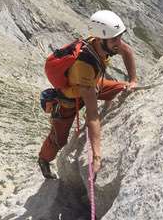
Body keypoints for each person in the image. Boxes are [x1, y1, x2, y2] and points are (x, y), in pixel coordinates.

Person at [38, 10, 137, 179]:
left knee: (124, 87)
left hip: (92, 85)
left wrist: (133, 79)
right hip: (69, 101)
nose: (119, 43)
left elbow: (127, 51)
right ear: (100, 39)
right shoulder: (83, 66)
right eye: (115, 39)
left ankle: (122, 86)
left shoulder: (103, 42)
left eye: (119, 37)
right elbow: (92, 116)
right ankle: (44, 160)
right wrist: (97, 156)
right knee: (59, 139)